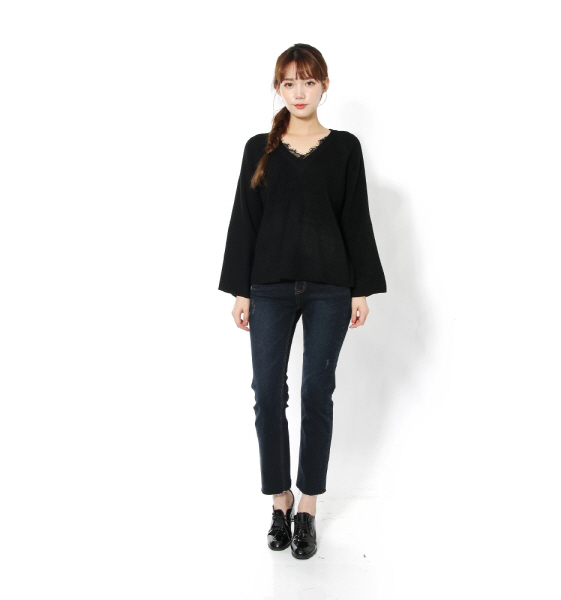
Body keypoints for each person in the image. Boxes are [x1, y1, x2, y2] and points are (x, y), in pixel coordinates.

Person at [218, 43, 387, 559]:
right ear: (278, 87)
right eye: (289, 83)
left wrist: (360, 288)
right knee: (268, 394)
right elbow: (245, 219)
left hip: (329, 288)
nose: (299, 92)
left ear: (324, 86)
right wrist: (241, 289)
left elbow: (355, 217)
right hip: (268, 288)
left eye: (308, 81)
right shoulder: (259, 148)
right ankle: (280, 499)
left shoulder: (345, 148)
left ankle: (308, 506)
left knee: (317, 392)